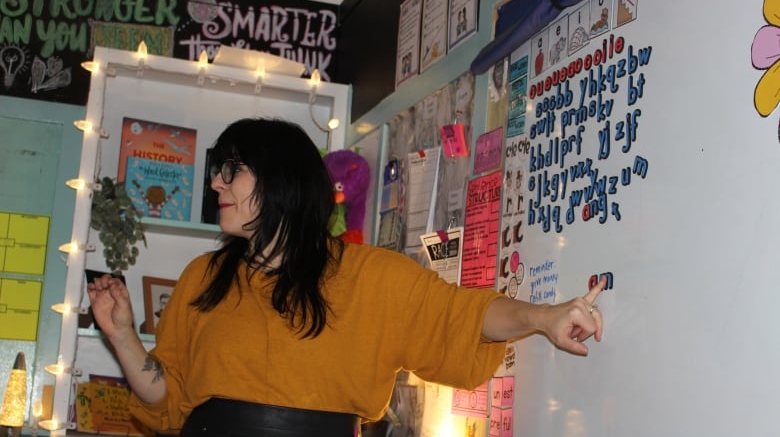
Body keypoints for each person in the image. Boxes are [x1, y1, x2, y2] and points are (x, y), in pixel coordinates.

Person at [87, 118, 606, 437]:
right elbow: (168, 400)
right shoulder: (204, 276)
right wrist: (122, 336)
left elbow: (464, 316)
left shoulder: (371, 276)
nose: (216, 183)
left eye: (231, 170)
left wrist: (543, 317)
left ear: (280, 181)